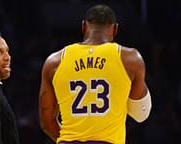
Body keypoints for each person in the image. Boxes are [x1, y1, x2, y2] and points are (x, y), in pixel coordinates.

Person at [39, 4, 152, 144]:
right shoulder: (130, 59)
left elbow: (46, 122)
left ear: (83, 27)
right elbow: (141, 114)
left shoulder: (54, 61)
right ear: (115, 29)